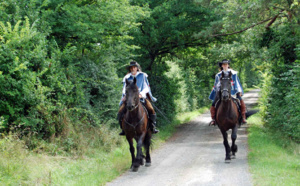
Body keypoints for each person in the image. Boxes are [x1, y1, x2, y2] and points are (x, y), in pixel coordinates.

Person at [117, 61, 159, 135]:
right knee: (120, 110)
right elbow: (124, 88)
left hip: (141, 98)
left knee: (151, 109)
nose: (133, 69)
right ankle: (123, 129)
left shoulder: (143, 76)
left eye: (134, 67)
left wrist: (141, 94)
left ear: (137, 68)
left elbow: (146, 87)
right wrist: (124, 95)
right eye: (131, 68)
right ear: (130, 69)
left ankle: (152, 127)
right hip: (129, 98)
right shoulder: (126, 77)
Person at [208, 59, 247, 125]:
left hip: (233, 91)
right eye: (224, 64)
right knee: (214, 103)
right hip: (222, 92)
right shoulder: (218, 75)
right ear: (222, 66)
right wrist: (214, 88)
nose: (225, 65)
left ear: (228, 65)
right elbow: (216, 84)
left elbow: (237, 83)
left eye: (226, 64)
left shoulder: (234, 74)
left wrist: (239, 91)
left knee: (240, 100)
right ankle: (213, 119)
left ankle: (243, 117)